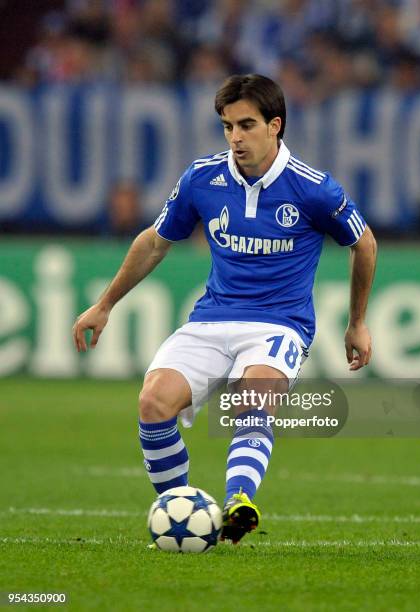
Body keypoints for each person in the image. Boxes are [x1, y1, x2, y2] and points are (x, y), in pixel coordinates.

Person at [72, 74, 377, 544]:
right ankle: (180, 511)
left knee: (253, 394)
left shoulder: (313, 188)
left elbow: (364, 243)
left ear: (275, 125)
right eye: (227, 126)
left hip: (280, 324)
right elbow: (155, 242)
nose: (235, 137)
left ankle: (238, 502)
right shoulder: (202, 178)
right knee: (153, 402)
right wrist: (105, 304)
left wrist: (357, 322)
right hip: (212, 319)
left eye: (247, 125)